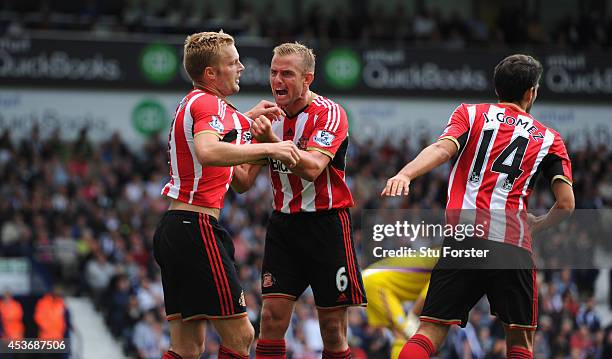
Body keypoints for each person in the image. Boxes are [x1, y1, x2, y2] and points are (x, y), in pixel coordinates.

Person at [381, 54, 575, 359]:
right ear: (530, 93)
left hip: (464, 239)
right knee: (520, 342)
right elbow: (566, 205)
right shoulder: (551, 139)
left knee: (429, 332)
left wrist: (405, 173)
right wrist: (538, 224)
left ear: (497, 89)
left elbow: (442, 150)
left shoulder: (469, 115)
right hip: (512, 245)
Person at [153, 31, 301, 359]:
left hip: (177, 227)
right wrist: (272, 146)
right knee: (241, 334)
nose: (242, 67)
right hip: (197, 228)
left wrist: (254, 133)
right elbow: (208, 150)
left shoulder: (201, 105)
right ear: (211, 74)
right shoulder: (207, 103)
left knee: (187, 347)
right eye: (233, 63)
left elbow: (242, 181)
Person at [234, 42, 367, 359]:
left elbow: (312, 168)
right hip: (284, 226)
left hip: (327, 225)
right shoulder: (268, 117)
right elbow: (242, 182)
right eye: (273, 72)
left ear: (307, 78)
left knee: (332, 329)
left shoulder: (330, 114)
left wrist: (269, 143)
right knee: (270, 318)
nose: (277, 80)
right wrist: (222, 147)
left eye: (287, 74)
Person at [362, 255, 437, 359]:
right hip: (377, 285)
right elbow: (429, 292)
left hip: (376, 280)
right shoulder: (452, 264)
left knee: (400, 335)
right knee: (402, 334)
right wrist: (412, 319)